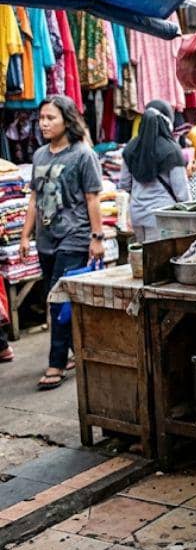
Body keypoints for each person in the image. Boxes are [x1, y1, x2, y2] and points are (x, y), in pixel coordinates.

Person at [21, 95, 105, 390]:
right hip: (46, 239)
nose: (43, 123)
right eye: (41, 118)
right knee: (54, 300)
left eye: (50, 118)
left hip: (75, 235)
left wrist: (97, 237)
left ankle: (56, 362)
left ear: (66, 120)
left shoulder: (83, 155)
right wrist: (24, 235)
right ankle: (73, 351)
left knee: (58, 301)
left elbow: (92, 198)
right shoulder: (40, 155)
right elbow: (34, 198)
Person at [119, 99, 190, 243]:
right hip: (163, 217)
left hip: (137, 215)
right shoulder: (172, 150)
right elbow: (182, 194)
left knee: (143, 260)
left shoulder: (130, 148)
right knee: (160, 262)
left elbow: (125, 184)